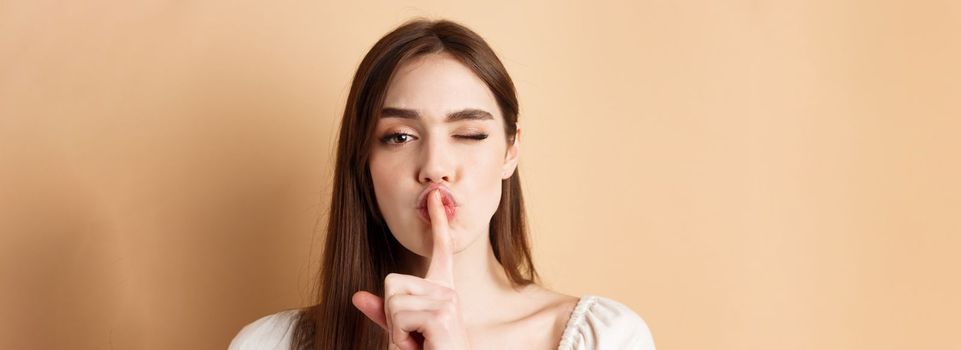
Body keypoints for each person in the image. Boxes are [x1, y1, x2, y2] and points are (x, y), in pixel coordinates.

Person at [229, 18, 655, 350]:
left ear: (511, 151)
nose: (435, 167)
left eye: (469, 133)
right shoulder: (270, 343)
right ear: (364, 162)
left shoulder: (605, 338)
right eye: (399, 137)